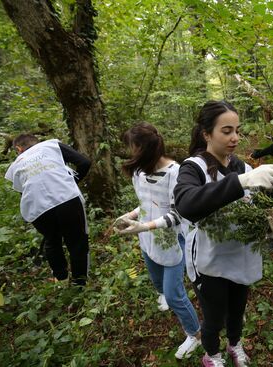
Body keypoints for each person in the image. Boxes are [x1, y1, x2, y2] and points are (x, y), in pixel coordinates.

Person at [174, 100, 273, 367]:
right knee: (214, 317)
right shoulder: (194, 167)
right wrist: (241, 182)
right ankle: (212, 355)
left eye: (237, 130)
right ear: (206, 134)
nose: (235, 137)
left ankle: (235, 344)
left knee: (237, 310)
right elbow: (186, 203)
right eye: (226, 131)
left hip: (241, 256)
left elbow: (263, 204)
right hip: (210, 261)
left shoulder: (241, 166)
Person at [113, 123, 201, 359]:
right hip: (146, 239)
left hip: (171, 241)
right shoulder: (139, 171)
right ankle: (164, 293)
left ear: (143, 148)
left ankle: (195, 334)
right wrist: (130, 217)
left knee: (174, 295)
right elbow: (145, 203)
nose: (130, 152)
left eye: (132, 147)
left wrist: (145, 225)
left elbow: (178, 213)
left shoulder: (176, 173)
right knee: (157, 281)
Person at [5, 134, 91, 286]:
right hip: (67, 199)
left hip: (37, 208)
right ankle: (80, 283)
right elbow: (84, 162)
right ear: (37, 142)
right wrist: (71, 182)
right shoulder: (52, 145)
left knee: (52, 241)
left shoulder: (16, 164)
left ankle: (61, 280)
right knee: (77, 241)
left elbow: (23, 190)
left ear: (19, 149)